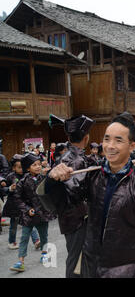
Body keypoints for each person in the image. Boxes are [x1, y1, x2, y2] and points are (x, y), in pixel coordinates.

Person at [39, 112, 135, 278]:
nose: (110, 146)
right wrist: (52, 180)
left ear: (132, 146)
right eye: (107, 139)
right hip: (93, 266)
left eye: (118, 140)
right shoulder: (92, 175)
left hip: (128, 268)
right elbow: (63, 202)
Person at [39, 114, 94, 278]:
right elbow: (75, 189)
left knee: (83, 260)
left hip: (72, 217)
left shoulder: (72, 157)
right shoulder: (72, 160)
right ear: (86, 138)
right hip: (77, 218)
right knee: (77, 262)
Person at [9, 153, 56, 272]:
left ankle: (44, 254)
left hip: (42, 213)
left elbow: (48, 193)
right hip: (28, 215)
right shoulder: (23, 181)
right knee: (24, 237)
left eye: (39, 164)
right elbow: (17, 198)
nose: (38, 167)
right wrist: (26, 209)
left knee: (44, 236)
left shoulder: (43, 179)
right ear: (27, 168)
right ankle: (21, 261)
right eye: (34, 165)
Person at [1, 154, 41, 250]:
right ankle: (12, 242)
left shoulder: (27, 176)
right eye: (19, 167)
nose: (21, 169)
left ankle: (36, 241)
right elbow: (3, 188)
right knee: (13, 226)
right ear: (14, 168)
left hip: (25, 205)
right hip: (14, 206)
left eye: (22, 167)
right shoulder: (10, 177)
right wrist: (9, 188)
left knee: (30, 223)